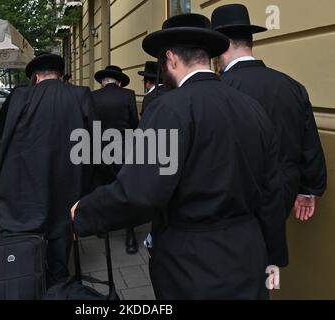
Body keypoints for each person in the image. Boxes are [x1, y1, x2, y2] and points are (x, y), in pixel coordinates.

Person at [70, 13, 288, 299]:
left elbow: (140, 193)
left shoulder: (169, 109)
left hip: (192, 262)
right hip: (248, 253)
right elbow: (273, 190)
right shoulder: (252, 107)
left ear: (170, 58)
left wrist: (84, 211)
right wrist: (273, 254)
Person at [211, 4, 327, 220]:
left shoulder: (217, 89)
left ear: (223, 45)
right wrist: (308, 189)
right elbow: (309, 141)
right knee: (274, 247)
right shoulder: (292, 86)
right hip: (284, 190)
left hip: (235, 193)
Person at [0, 53, 97, 288]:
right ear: (60, 76)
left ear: (37, 77)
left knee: (27, 226)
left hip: (26, 177)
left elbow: (6, 135)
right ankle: (58, 280)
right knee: (62, 224)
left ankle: (28, 276)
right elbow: (94, 140)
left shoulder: (21, 96)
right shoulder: (80, 94)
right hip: (69, 176)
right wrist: (88, 181)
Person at [91, 65, 140, 254]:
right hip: (123, 149)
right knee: (127, 191)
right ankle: (130, 236)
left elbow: (90, 124)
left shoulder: (93, 96)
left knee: (103, 188)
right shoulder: (128, 94)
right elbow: (134, 124)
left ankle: (103, 228)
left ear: (104, 81)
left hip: (101, 150)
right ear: (119, 82)